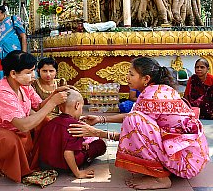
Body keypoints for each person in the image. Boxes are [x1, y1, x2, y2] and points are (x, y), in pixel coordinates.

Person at [68, 57, 210, 190]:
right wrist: (101, 119)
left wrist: (97, 133)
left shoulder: (150, 96)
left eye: (131, 74)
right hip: (193, 157)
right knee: (134, 118)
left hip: (185, 162)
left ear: (146, 79)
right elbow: (136, 118)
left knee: (134, 120)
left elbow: (134, 127)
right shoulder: (161, 89)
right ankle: (165, 167)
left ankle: (161, 178)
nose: (127, 78)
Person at [0, 50, 69, 183]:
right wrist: (52, 102)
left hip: (17, 131)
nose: (33, 76)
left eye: (33, 71)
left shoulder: (24, 86)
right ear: (13, 74)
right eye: (29, 72)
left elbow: (39, 106)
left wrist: (54, 94)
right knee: (9, 140)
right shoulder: (1, 93)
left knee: (45, 121)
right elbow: (23, 126)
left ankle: (34, 159)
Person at [38, 88, 106, 179]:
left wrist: (80, 144)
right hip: (64, 165)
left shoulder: (51, 122)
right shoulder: (75, 126)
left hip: (46, 163)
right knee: (100, 144)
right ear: (77, 105)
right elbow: (68, 152)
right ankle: (83, 162)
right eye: (81, 108)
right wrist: (78, 173)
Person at [0, 3, 27, 81]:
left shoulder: (13, 20)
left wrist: (24, 55)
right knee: (1, 78)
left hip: (13, 54)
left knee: (14, 76)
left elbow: (23, 36)